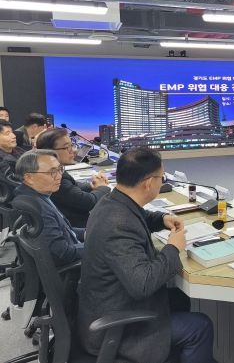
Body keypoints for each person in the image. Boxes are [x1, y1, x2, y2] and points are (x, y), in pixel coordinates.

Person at [78, 147, 215, 363]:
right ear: (149, 183)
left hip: (106, 304)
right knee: (200, 326)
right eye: (162, 178)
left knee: (180, 299)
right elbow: (142, 285)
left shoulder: (112, 201)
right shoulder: (118, 224)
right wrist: (173, 248)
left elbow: (138, 215)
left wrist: (161, 219)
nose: (163, 182)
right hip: (114, 329)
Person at [13, 149, 84, 266]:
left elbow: (66, 231)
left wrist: (90, 233)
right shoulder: (38, 208)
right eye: (52, 172)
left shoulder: (36, 195)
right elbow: (63, 253)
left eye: (60, 169)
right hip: (75, 269)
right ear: (29, 178)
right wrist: (99, 246)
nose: (59, 176)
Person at [36, 128, 111, 228]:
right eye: (67, 147)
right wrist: (102, 187)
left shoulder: (51, 168)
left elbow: (71, 188)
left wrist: (91, 185)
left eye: (72, 145)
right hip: (77, 227)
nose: (73, 151)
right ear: (49, 152)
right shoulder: (54, 177)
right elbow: (89, 202)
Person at [0, 119, 24, 203]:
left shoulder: (20, 150)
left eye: (12, 132)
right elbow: (14, 184)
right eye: (7, 133)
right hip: (14, 201)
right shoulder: (2, 162)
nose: (14, 136)